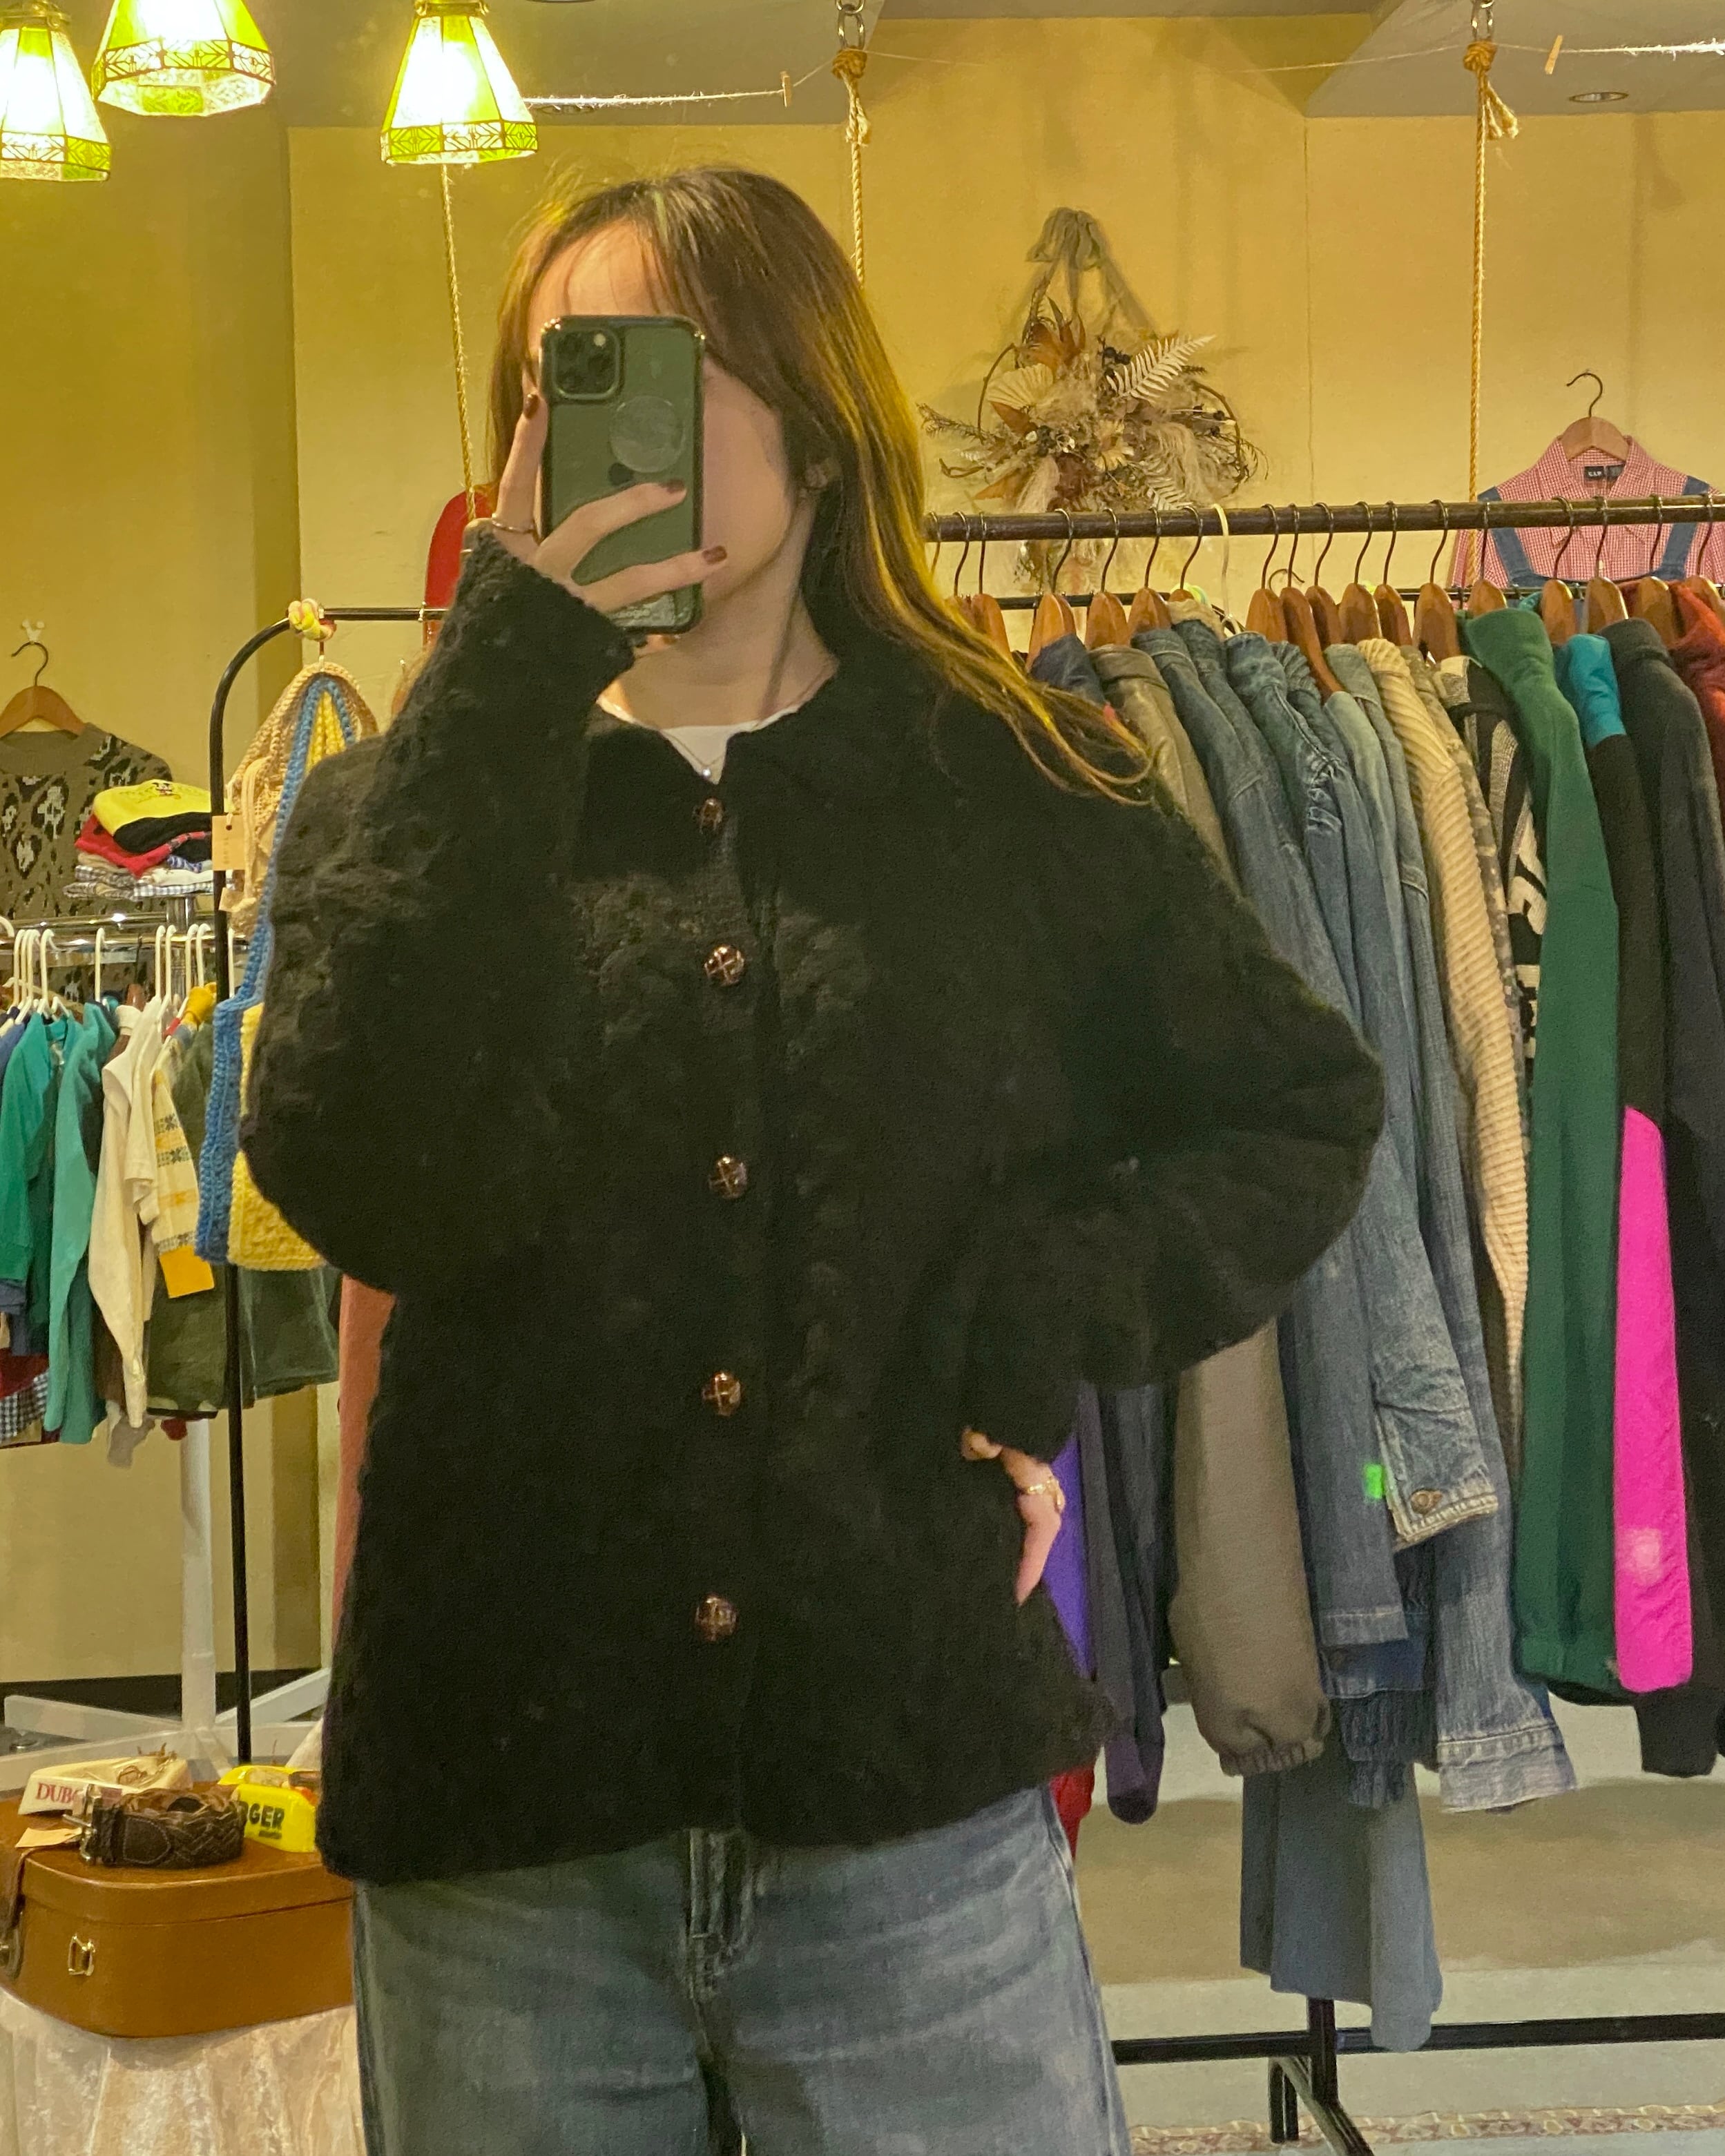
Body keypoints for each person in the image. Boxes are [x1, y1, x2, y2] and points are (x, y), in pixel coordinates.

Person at [244, 167, 1382, 2156]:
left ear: (818, 413)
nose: (599, 430)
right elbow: (351, 1169)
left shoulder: (1014, 785)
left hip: (906, 1815)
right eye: (558, 384)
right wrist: (505, 670)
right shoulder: (414, 808)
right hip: (508, 1845)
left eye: (656, 366)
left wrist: (1034, 1311)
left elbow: (1296, 1104)